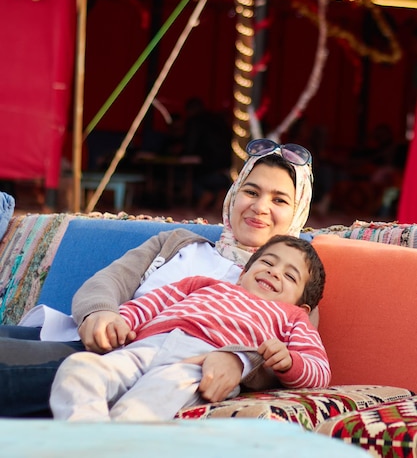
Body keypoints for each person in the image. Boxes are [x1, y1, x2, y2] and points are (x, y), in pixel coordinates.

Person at [0, 138, 314, 417]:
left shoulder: (286, 286)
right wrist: (100, 312)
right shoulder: (177, 242)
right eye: (251, 191)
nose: (259, 207)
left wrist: (238, 362)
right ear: (234, 194)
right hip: (87, 337)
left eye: (279, 200)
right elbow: (110, 281)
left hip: (126, 364)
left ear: (298, 210)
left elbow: (289, 358)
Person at [50, 235, 329, 421]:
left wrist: (290, 362)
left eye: (290, 275)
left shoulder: (293, 317)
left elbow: (319, 370)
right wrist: (119, 322)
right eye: (268, 262)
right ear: (243, 273)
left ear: (303, 305)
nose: (274, 271)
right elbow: (149, 305)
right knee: (79, 370)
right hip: (145, 346)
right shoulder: (201, 284)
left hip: (199, 364)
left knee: (139, 409)